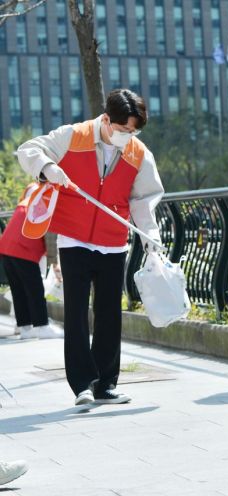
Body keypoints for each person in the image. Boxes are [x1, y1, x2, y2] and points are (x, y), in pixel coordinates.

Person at [17, 89, 164, 406]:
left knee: (110, 313)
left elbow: (143, 201)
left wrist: (150, 237)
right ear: (107, 120)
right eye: (124, 130)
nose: (129, 137)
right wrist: (47, 168)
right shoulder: (73, 136)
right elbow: (28, 150)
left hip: (113, 242)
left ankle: (106, 385)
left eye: (134, 131)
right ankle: (82, 384)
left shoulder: (139, 154)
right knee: (76, 312)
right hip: (74, 239)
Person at [0, 183, 63, 339]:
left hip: (6, 248)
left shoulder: (32, 200)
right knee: (35, 289)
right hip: (23, 249)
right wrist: (54, 263)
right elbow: (50, 236)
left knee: (19, 290)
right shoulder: (49, 203)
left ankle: (25, 328)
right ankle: (42, 326)